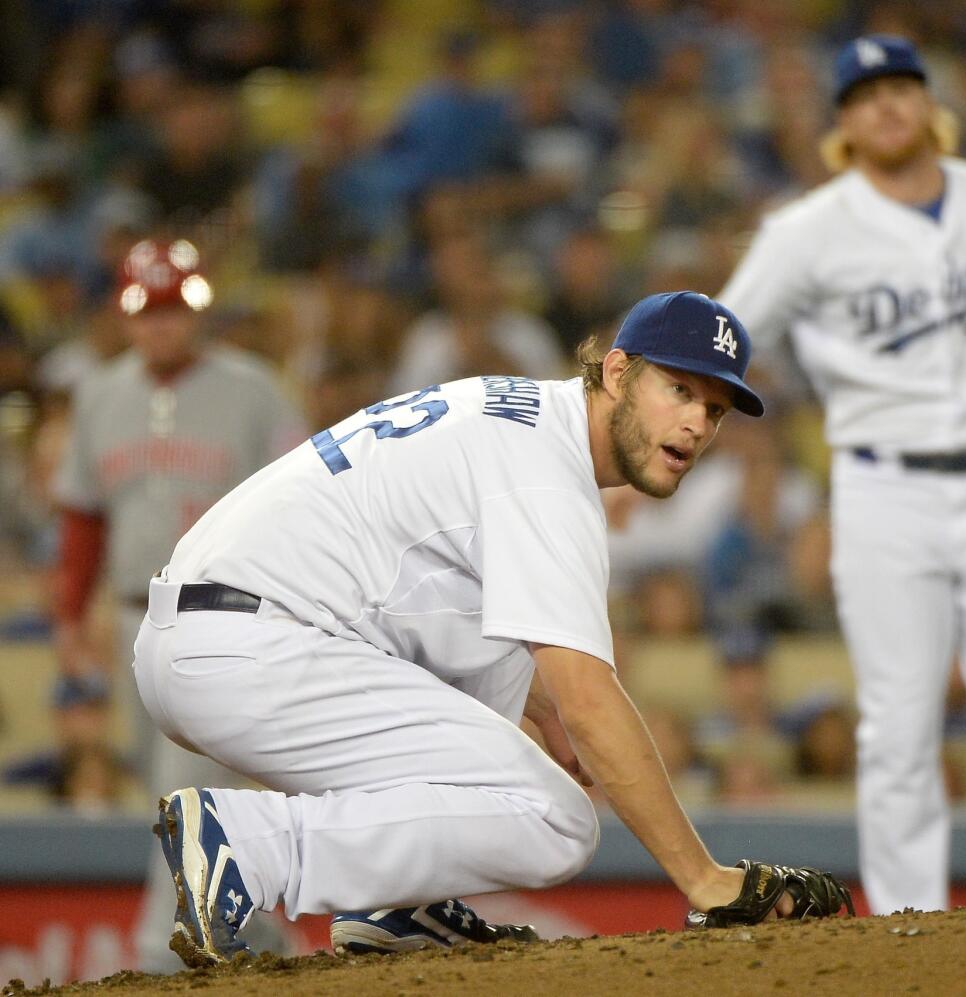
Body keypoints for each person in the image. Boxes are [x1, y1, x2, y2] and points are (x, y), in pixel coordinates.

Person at [132, 291, 852, 966]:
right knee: (556, 818)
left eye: (717, 408)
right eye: (682, 390)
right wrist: (704, 877)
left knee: (505, 687)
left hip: (223, 629)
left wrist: (544, 713)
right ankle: (247, 847)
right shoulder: (547, 472)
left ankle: (400, 905)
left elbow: (463, 619)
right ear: (618, 370)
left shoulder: (522, 415)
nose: (697, 421)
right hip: (253, 643)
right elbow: (591, 698)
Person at [719, 35, 966, 914]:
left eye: (901, 87)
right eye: (866, 93)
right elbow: (723, 334)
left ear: (928, 104)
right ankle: (909, 922)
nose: (885, 104)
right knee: (900, 727)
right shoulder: (806, 231)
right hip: (885, 489)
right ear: (842, 122)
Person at [53, 238, 307, 969]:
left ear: (198, 310)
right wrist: (72, 618)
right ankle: (257, 933)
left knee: (178, 787)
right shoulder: (101, 392)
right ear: (125, 316)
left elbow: (301, 504)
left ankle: (154, 944)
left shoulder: (255, 389)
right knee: (160, 780)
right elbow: (82, 519)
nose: (161, 327)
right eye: (147, 312)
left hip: (223, 616)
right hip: (134, 613)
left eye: (174, 310)